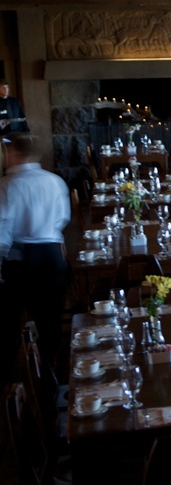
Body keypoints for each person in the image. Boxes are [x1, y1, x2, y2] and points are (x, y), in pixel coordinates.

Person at [0, 134, 69, 386]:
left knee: (9, 321)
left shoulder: (6, 185)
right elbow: (62, 218)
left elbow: (2, 228)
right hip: (51, 255)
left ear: (15, 154)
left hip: (20, 258)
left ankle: (10, 380)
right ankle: (50, 374)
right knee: (50, 319)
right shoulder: (55, 181)